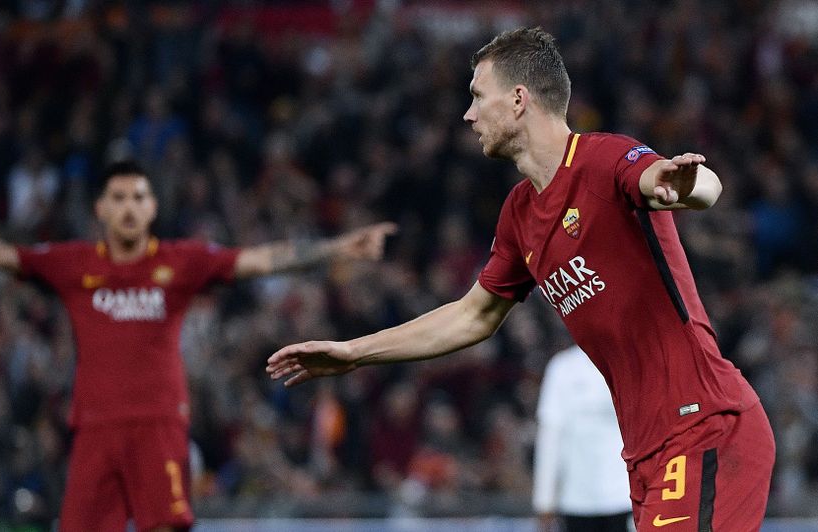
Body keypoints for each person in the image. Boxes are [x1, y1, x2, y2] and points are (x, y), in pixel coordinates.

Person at [266, 27, 774, 531]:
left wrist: (684, 184)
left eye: (475, 97)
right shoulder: (518, 214)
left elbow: (688, 183)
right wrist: (354, 353)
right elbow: (472, 315)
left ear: (517, 99)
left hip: (705, 427)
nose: (467, 115)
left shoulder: (601, 159)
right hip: (645, 457)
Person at [0, 160, 396, 532]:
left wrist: (337, 248)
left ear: (153, 207)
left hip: (158, 423)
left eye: (139, 197)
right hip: (94, 426)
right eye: (118, 197)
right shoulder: (74, 265)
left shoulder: (179, 262)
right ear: (100, 208)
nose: (129, 207)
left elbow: (262, 260)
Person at [533, 344, 631, 532]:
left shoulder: (629, 362)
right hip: (577, 500)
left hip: (624, 497)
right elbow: (550, 437)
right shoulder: (562, 368)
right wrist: (544, 501)